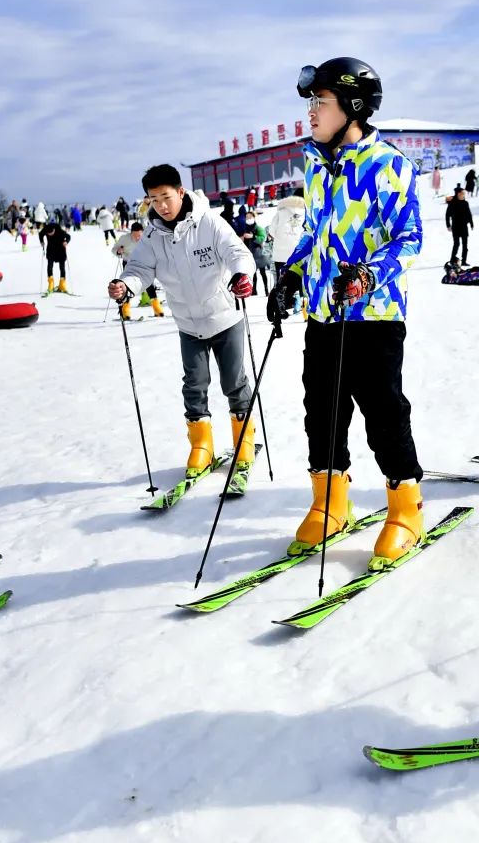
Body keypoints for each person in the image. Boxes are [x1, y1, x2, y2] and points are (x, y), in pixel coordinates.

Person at [266, 57, 424, 568]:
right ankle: (330, 500)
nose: (311, 112)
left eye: (321, 102)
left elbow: (410, 237)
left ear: (353, 107)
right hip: (323, 312)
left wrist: (367, 274)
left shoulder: (387, 163)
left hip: (373, 314)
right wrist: (290, 274)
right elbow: (312, 231)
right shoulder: (316, 162)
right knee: (323, 410)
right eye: (311, 102)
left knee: (383, 411)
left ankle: (405, 509)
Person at [108, 166, 256, 477]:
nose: (161, 205)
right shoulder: (152, 236)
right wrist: (126, 286)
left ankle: (244, 441)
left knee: (234, 382)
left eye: (165, 197)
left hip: (224, 318)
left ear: (180, 192)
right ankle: (201, 447)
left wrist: (243, 275)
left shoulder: (209, 223)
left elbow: (236, 252)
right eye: (153, 199)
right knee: (194, 385)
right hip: (188, 324)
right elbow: (139, 269)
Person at [112, 220, 163, 317]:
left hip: (144, 262)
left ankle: (157, 309)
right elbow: (114, 250)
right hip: (128, 264)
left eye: (139, 235)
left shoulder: (146, 238)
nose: (137, 238)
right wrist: (118, 251)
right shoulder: (124, 238)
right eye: (135, 235)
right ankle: (125, 311)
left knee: (149, 284)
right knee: (127, 285)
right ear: (131, 233)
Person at [445, 185, 473, 265]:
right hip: (456, 227)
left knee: (465, 245)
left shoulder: (465, 203)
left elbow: (469, 213)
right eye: (462, 194)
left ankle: (464, 261)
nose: (463, 195)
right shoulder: (452, 204)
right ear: (457, 194)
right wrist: (448, 225)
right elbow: (447, 215)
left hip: (464, 226)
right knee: (456, 244)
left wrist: (471, 222)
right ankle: (452, 260)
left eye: (464, 194)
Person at [43, 219, 71, 292]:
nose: (50, 235)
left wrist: (65, 242)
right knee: (49, 266)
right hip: (51, 251)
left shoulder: (60, 231)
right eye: (48, 234)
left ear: (54, 230)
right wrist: (41, 241)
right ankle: (51, 284)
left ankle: (62, 284)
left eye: (51, 233)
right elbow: (40, 234)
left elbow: (68, 236)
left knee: (62, 267)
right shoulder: (46, 230)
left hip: (60, 251)